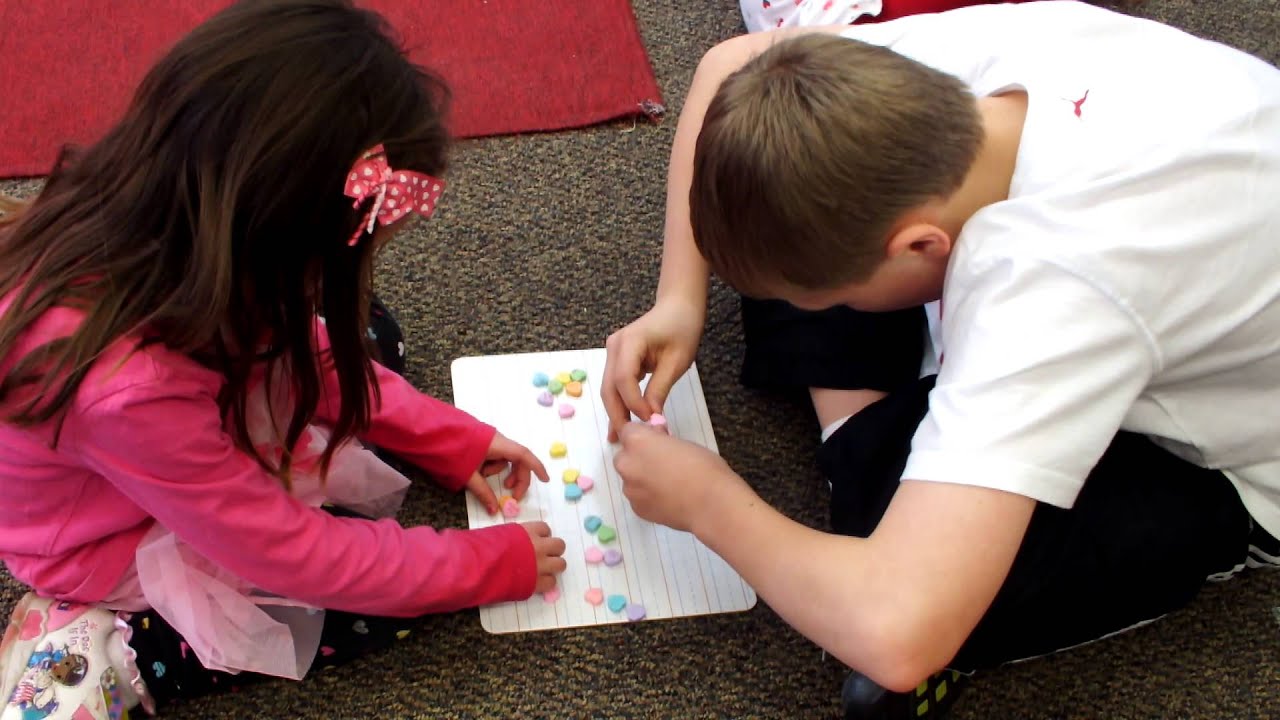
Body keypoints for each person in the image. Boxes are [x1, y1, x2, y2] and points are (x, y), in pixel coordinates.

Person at [601, 3, 1280, 718]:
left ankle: (871, 464)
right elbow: (727, 67)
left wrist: (707, 502)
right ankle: (869, 446)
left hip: (1225, 463)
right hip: (1164, 282)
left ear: (922, 247)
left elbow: (899, 634)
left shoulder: (1053, 287)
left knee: (894, 566)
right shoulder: (993, 56)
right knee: (772, 201)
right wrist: (679, 299)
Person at [0, 2, 567, 718]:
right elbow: (288, 552)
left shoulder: (174, 221)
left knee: (366, 339)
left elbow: (311, 352)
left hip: (172, 422)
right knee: (351, 607)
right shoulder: (128, 390)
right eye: (319, 269)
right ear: (272, 244)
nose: (321, 287)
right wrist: (479, 565)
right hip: (108, 539)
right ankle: (111, 651)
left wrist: (449, 437)